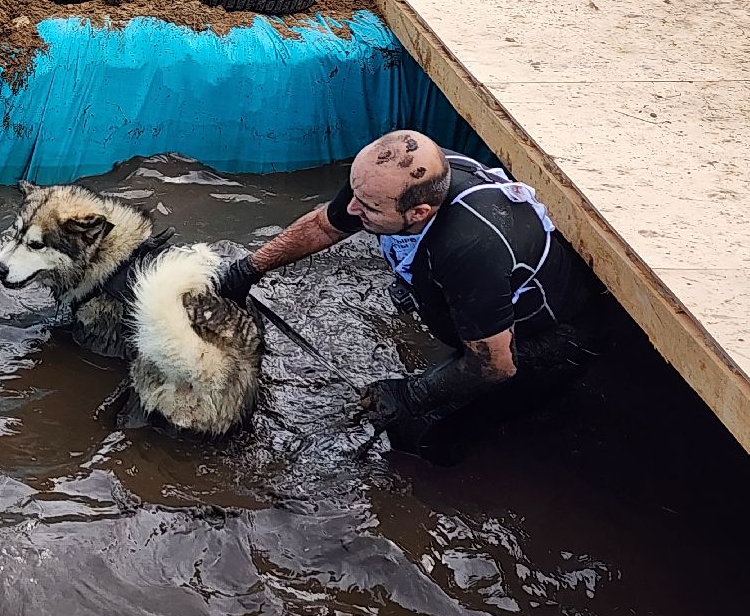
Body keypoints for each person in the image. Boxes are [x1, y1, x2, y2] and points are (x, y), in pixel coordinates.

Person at [217, 130, 612, 461]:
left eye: (368, 207)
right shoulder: (387, 181)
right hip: (482, 299)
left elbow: (496, 365)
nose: (352, 208)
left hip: (551, 338)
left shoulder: (469, 246)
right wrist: (248, 269)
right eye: (355, 193)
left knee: (423, 439)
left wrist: (410, 394)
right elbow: (324, 226)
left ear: (420, 212)